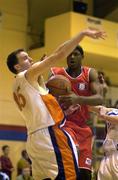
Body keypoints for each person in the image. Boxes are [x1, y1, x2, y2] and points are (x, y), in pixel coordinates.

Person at [6, 28, 105, 180]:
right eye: (26, 58)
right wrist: (82, 34)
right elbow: (58, 55)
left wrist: (64, 113)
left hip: (33, 139)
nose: (31, 59)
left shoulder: (17, 85)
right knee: (69, 176)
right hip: (49, 136)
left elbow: (40, 111)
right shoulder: (26, 75)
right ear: (17, 67)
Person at [51, 45, 105, 180]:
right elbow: (42, 96)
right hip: (63, 126)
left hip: (83, 129)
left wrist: (78, 99)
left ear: (82, 57)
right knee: (68, 170)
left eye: (75, 54)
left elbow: (99, 98)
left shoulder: (89, 73)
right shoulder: (55, 74)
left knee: (85, 173)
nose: (72, 57)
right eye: (69, 54)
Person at [89, 106, 118, 180]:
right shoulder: (114, 111)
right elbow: (101, 108)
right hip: (107, 156)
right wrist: (81, 103)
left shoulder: (110, 116)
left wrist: (104, 116)